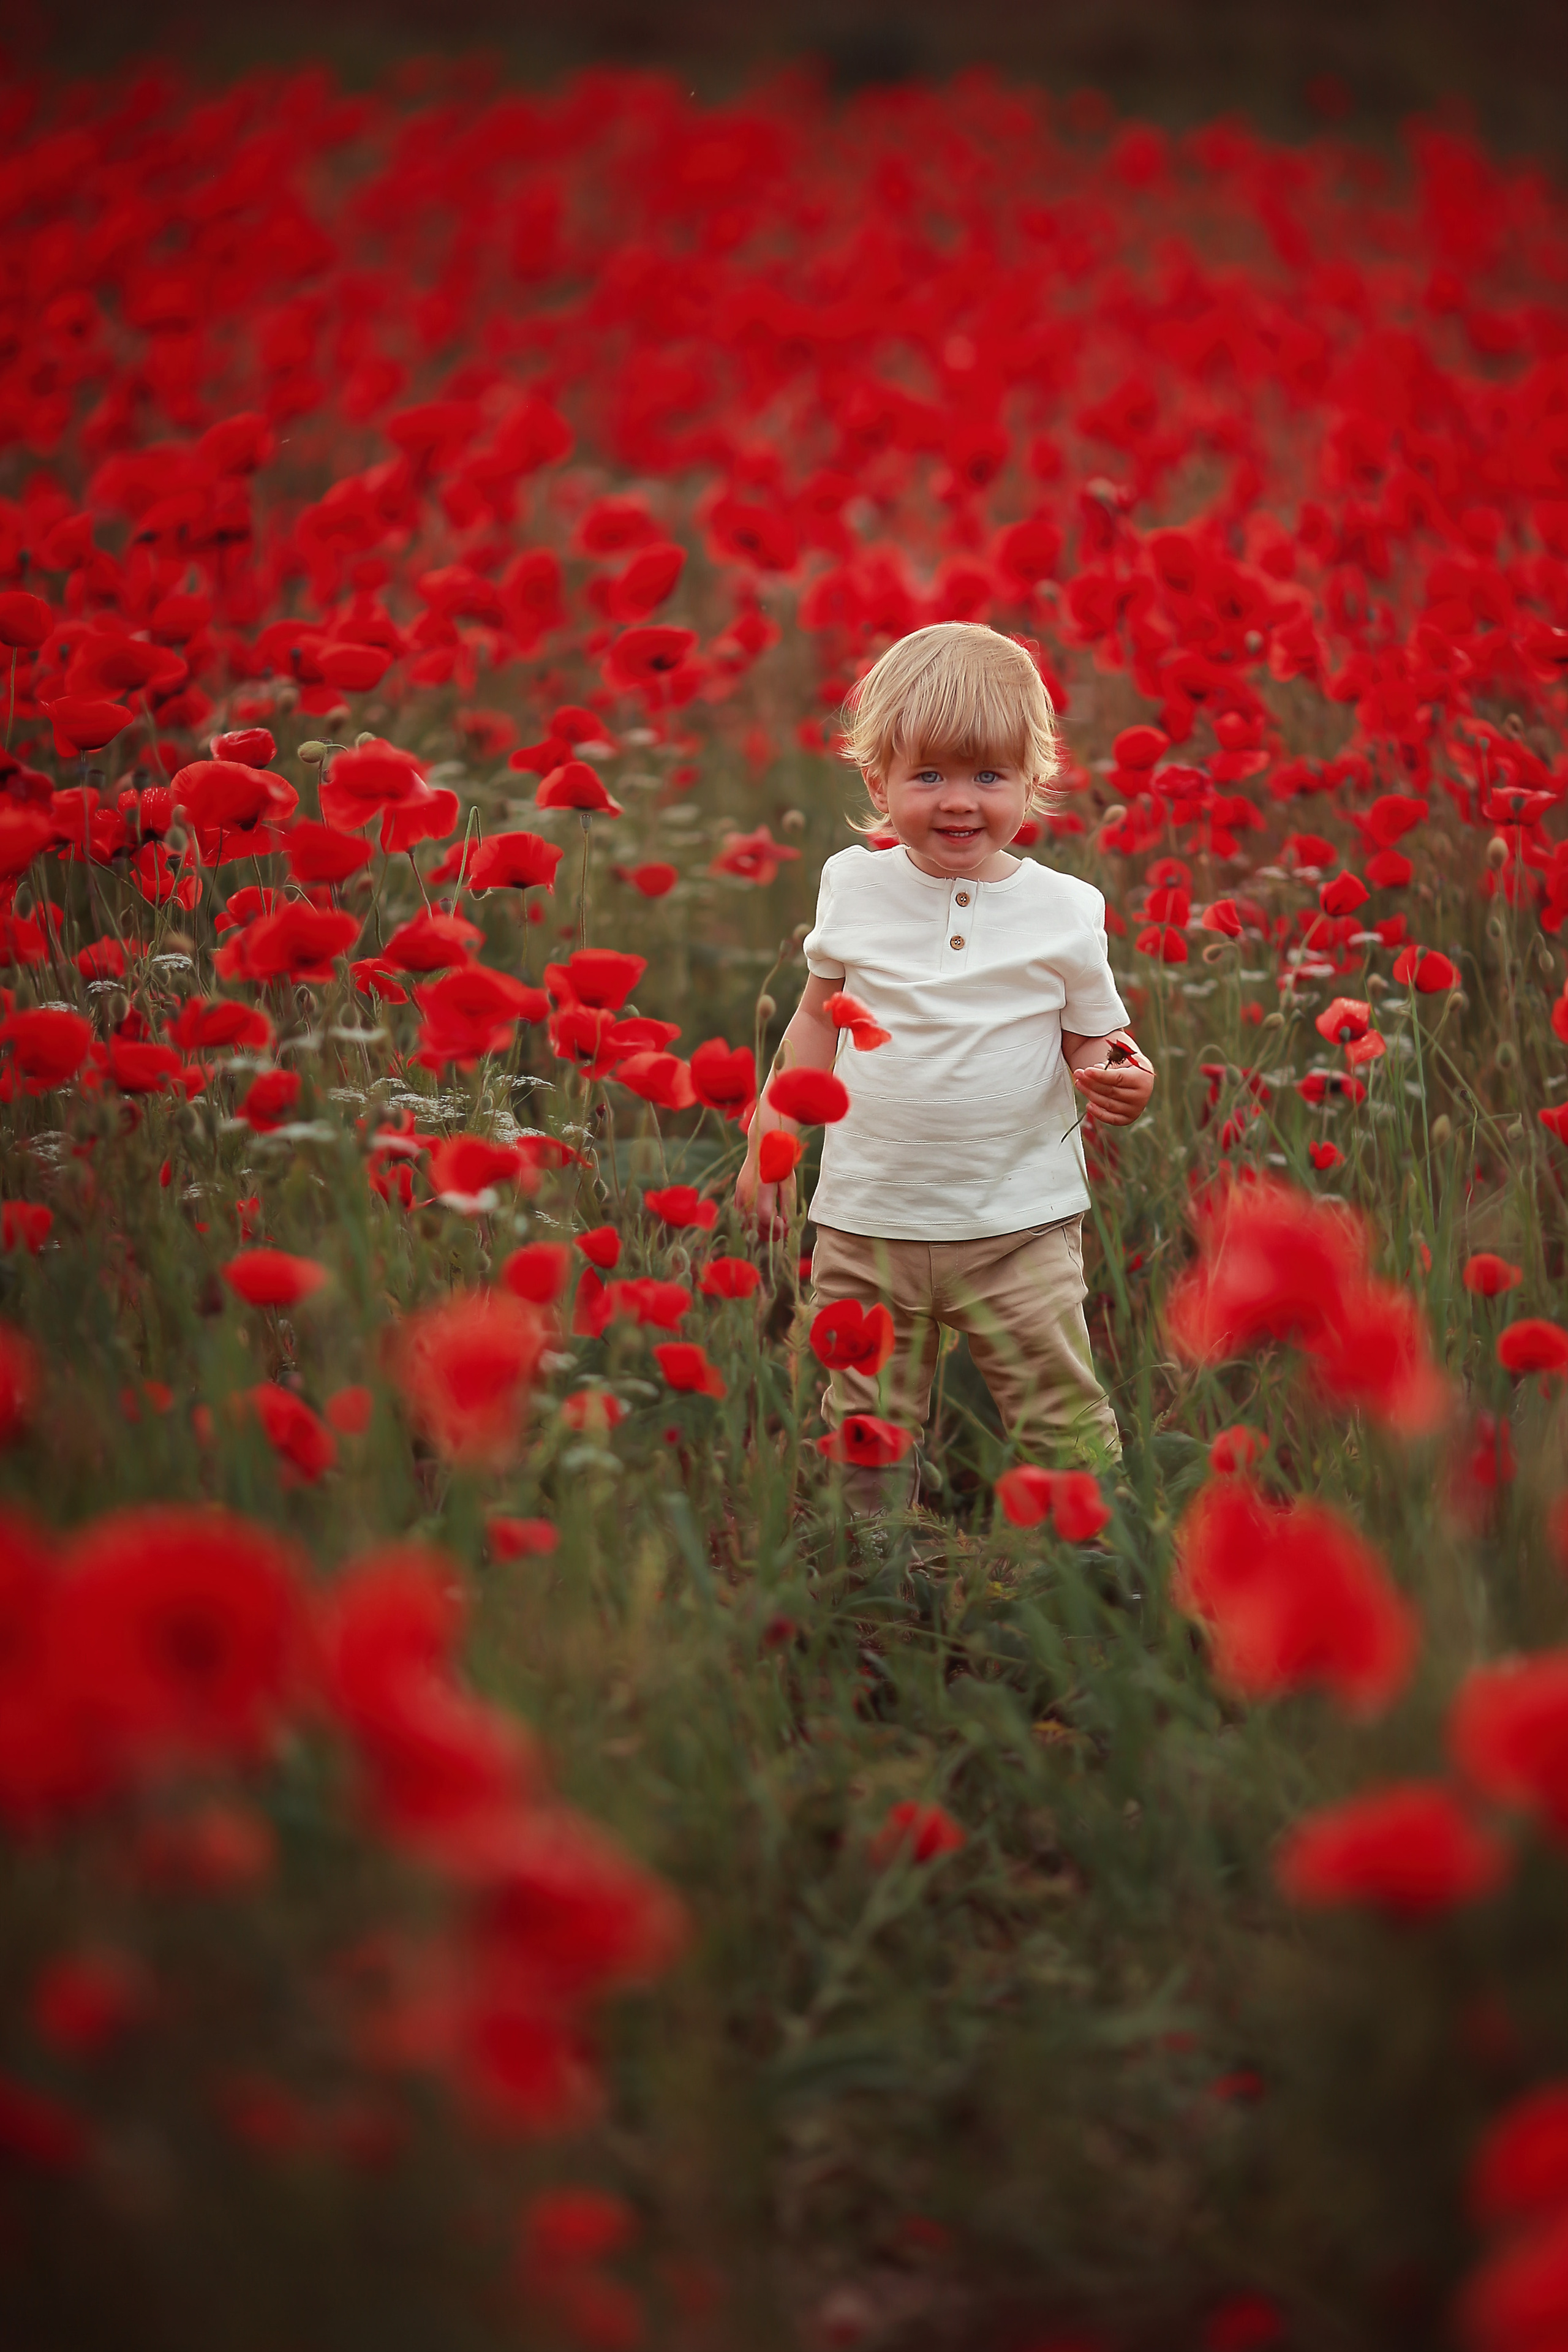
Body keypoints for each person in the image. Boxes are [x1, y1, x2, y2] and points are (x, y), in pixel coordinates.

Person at [735, 622, 1155, 1512]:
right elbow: (813, 1019)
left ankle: (1087, 1562)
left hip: (1019, 1227)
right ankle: (871, 1564)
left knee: (1060, 1419)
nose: (959, 802)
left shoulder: (1064, 909)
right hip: (868, 1222)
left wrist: (1124, 1074)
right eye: (928, 776)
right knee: (865, 1425)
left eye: (988, 777)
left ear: (1032, 780)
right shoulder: (854, 886)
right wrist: (771, 1137)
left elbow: (1095, 1036)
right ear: (877, 781)